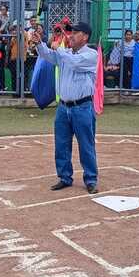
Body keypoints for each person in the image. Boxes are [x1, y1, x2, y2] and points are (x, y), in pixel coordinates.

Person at [33, 22, 100, 194]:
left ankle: (91, 179)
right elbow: (48, 56)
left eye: (76, 33)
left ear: (85, 36)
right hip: (63, 107)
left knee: (86, 145)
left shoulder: (91, 55)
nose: (71, 35)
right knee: (61, 144)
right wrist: (39, 44)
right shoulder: (66, 53)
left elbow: (74, 63)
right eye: (71, 32)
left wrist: (59, 49)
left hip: (82, 106)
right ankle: (64, 177)